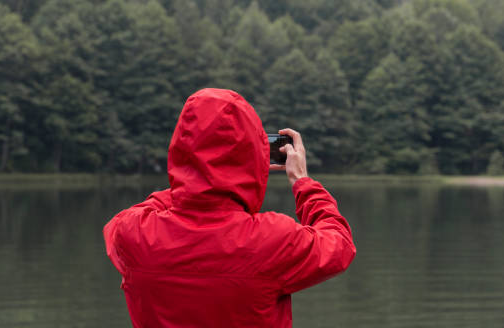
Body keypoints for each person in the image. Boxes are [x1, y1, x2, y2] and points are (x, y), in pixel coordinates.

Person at [103, 88, 356, 327]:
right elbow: (340, 244)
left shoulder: (133, 233)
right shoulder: (271, 240)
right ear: (253, 155)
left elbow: (133, 215)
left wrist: (193, 179)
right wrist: (301, 180)